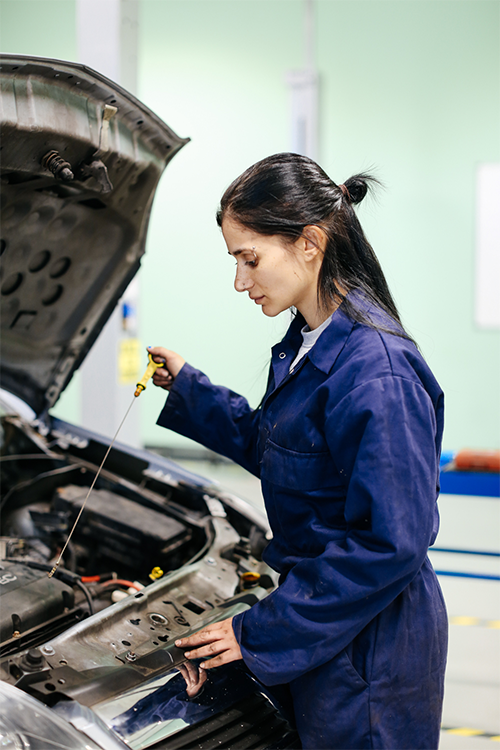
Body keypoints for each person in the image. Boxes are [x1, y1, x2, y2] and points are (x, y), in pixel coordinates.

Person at [149, 153, 448, 750]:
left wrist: (260, 632)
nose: (240, 281)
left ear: (310, 242)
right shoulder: (309, 343)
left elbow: (391, 543)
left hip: (369, 646)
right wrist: (191, 390)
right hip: (325, 620)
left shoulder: (375, 372)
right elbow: (286, 453)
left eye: (249, 258)